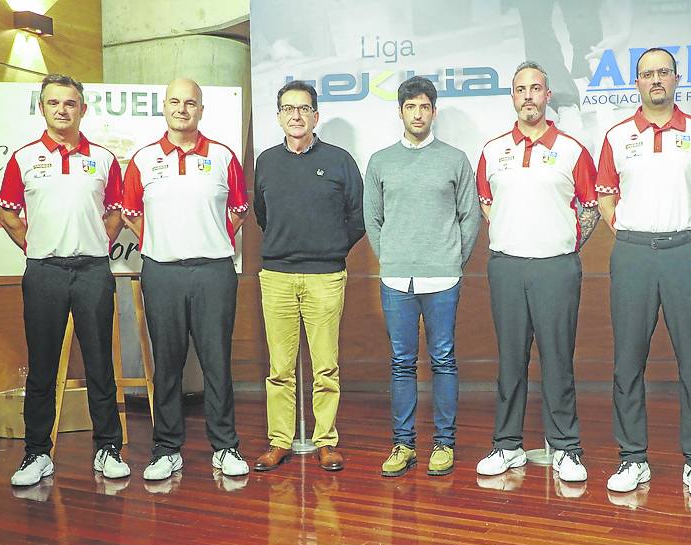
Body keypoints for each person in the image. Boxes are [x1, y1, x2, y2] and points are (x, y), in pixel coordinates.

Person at [595, 48, 691, 499]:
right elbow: (607, 199)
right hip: (632, 253)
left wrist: (681, 233)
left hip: (685, 251)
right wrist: (635, 234)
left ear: (676, 79)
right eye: (647, 73)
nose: (656, 80)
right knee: (628, 360)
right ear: (636, 83)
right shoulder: (616, 136)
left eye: (663, 72)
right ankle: (633, 457)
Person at [0, 74, 129, 487]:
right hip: (44, 273)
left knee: (99, 365)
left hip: (93, 271)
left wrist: (96, 242)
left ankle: (108, 448)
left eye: (70, 103)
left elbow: (115, 213)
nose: (62, 109)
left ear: (82, 109)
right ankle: (37, 453)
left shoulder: (105, 159)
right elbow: (6, 214)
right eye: (53, 103)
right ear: (43, 108)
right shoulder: (23, 158)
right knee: (42, 367)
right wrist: (36, 246)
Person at [474, 61, 600, 483]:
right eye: (520, 89)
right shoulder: (492, 150)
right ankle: (507, 445)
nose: (528, 96)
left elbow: (590, 207)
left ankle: (566, 448)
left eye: (536, 89)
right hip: (507, 266)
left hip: (556, 268)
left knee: (558, 360)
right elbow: (486, 203)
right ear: (513, 97)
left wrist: (561, 244)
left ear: (548, 96)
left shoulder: (572, 149)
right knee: (511, 359)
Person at [122, 78, 250, 481]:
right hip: (162, 272)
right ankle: (166, 448)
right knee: (168, 364)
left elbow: (238, 211)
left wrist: (210, 239)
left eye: (190, 102)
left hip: (214, 271)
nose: (182, 108)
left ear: (201, 110)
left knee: (216, 362)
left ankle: (225, 446)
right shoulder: (142, 160)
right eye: (175, 102)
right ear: (164, 108)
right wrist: (160, 242)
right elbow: (130, 212)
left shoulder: (223, 156)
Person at [363, 76, 481, 477]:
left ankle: (444, 444)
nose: (418, 113)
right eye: (410, 107)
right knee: (401, 362)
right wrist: (391, 257)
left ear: (433, 111)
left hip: (442, 278)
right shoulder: (380, 161)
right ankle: (403, 444)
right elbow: (372, 219)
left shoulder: (455, 159)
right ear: (400, 112)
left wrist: (452, 261)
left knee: (444, 360)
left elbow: (470, 217)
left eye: (424, 107)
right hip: (397, 279)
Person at [252, 81, 365, 473]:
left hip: (325, 276)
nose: (296, 115)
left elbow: (358, 217)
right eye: (288, 108)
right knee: (279, 369)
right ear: (279, 115)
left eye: (303, 109)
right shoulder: (266, 161)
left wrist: (330, 247)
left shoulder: (339, 160)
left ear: (316, 116)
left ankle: (325, 441)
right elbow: (261, 213)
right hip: (278, 276)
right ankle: (280, 440)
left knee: (325, 368)